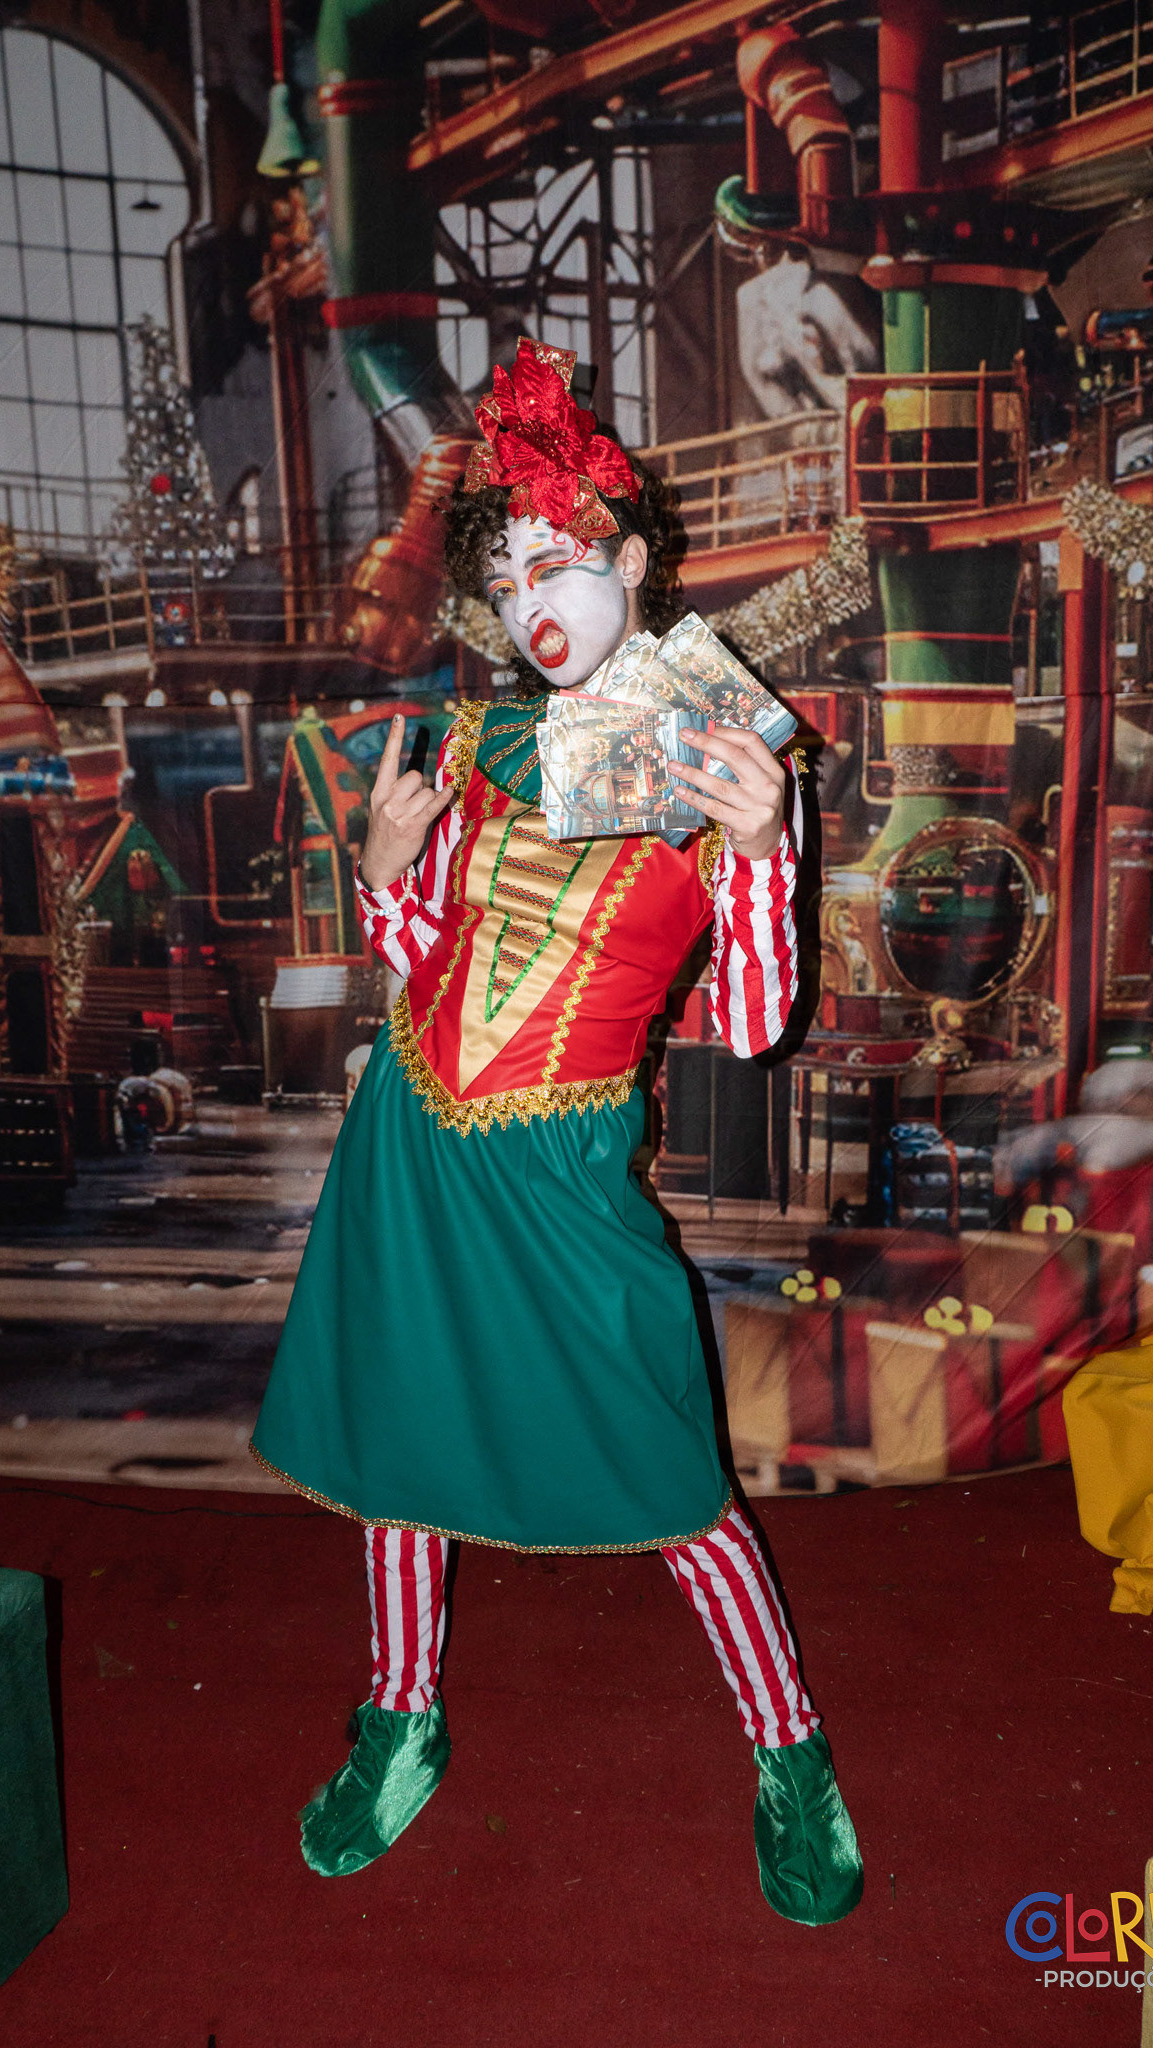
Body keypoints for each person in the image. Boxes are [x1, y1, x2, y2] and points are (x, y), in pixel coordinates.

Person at [250, 337, 861, 1927]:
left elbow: (750, 1023)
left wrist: (763, 848)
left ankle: (789, 1753)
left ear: (631, 561)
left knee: (674, 1481)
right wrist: (387, 872)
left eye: (559, 560)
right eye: (506, 570)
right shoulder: (471, 748)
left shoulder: (723, 761)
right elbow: (421, 964)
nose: (531, 596)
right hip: (409, 1149)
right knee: (396, 1446)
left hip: (563, 1175)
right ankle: (401, 1720)